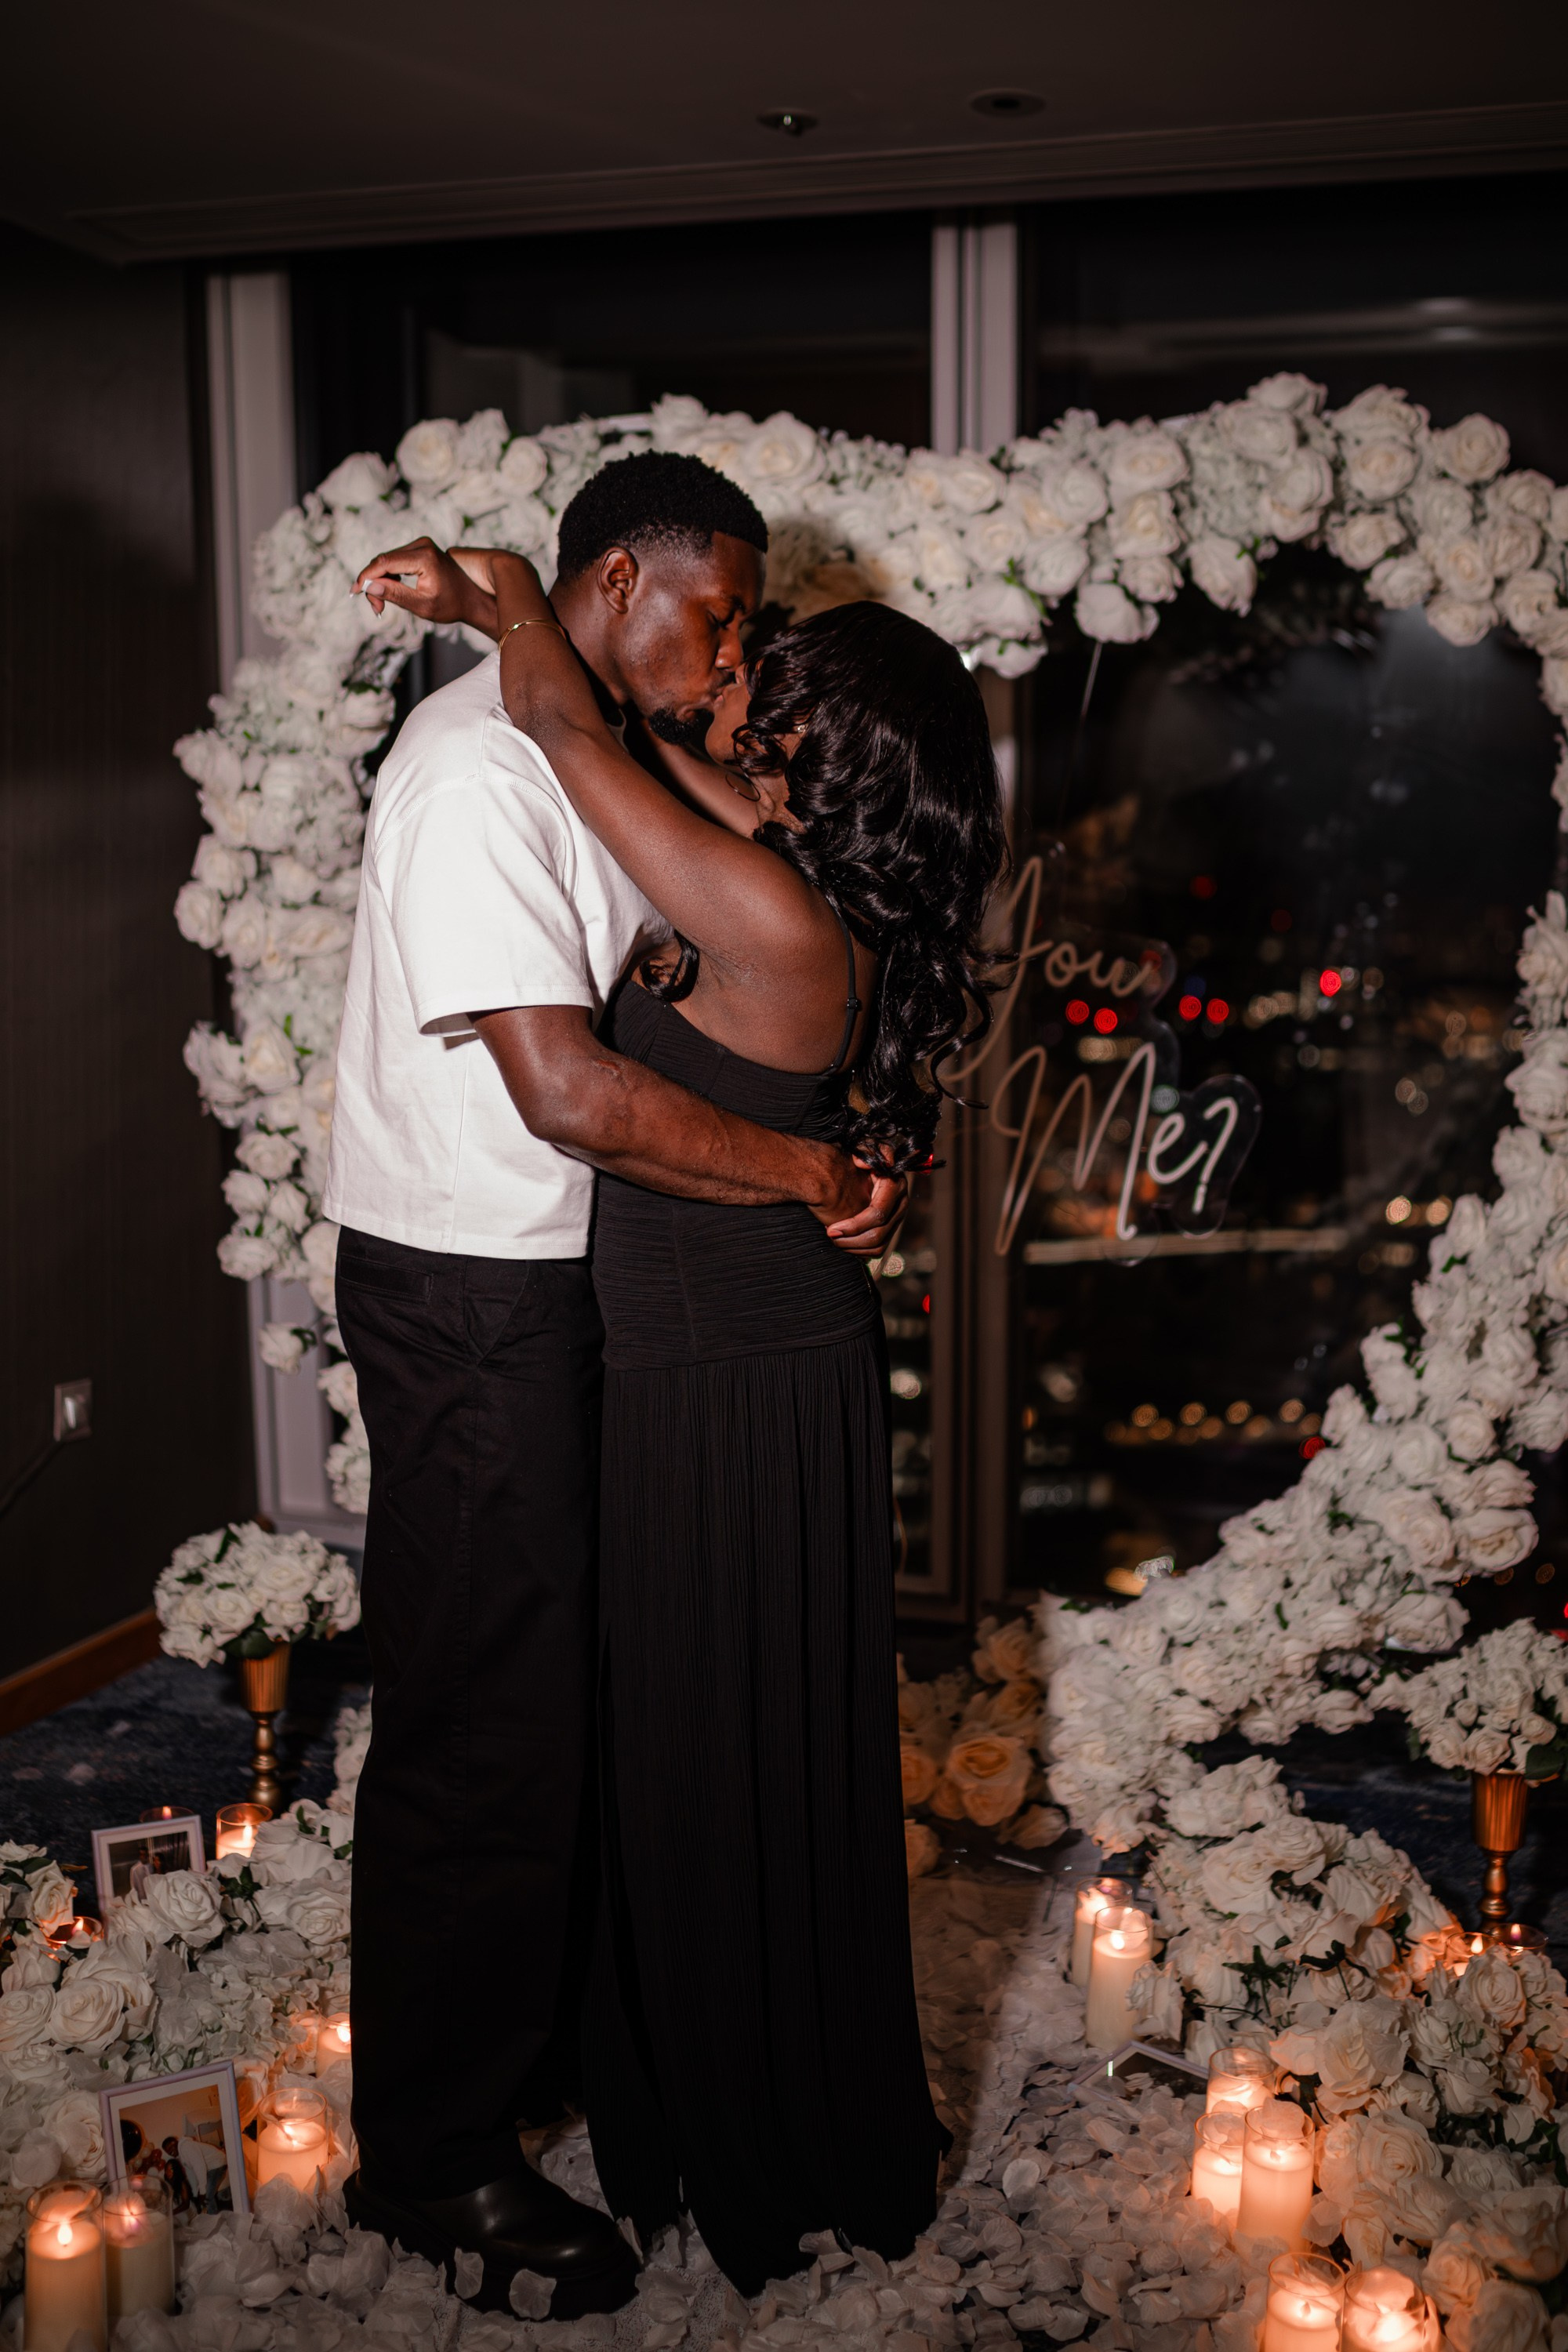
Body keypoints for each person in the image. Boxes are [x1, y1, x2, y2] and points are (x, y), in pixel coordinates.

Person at [355, 524, 1007, 2292]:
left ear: (825, 757)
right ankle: (670, 2073)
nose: (727, 692)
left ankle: (744, 2119)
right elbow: (608, 736)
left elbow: (580, 741)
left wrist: (505, 595)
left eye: (762, 685)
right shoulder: (766, 862)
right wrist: (514, 599)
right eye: (725, 647)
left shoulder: (773, 906)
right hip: (703, 1348)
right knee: (680, 1732)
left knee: (715, 1743)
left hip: (725, 1368)